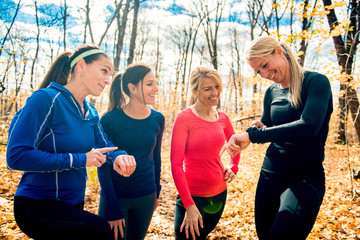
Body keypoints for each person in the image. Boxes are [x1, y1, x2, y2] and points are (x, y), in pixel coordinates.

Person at [6, 44, 136, 240]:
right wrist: (80, 160)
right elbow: (16, 157)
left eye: (110, 75)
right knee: (101, 231)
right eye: (104, 71)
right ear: (81, 65)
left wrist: (120, 156)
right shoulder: (46, 99)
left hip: (73, 202)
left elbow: (104, 146)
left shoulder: (90, 111)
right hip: (37, 203)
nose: (108, 80)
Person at [222, 36, 333, 240]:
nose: (264, 74)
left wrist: (254, 136)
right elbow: (268, 127)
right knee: (264, 235)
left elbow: (308, 126)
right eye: (258, 71)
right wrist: (256, 129)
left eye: (265, 65)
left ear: (279, 52)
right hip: (271, 173)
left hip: (305, 176)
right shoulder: (271, 92)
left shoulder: (315, 82)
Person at [170, 66, 240, 240]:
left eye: (216, 87)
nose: (214, 92)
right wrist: (189, 205)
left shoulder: (222, 118)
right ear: (195, 91)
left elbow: (236, 144)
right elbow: (176, 163)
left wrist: (234, 166)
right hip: (192, 195)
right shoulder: (184, 118)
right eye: (207, 89)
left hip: (218, 193)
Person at [98, 63, 165, 240]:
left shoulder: (158, 118)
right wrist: (112, 208)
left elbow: (156, 157)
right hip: (116, 199)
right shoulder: (110, 120)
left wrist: (156, 192)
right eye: (149, 84)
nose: (156, 88)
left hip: (146, 197)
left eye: (155, 83)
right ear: (132, 88)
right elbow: (103, 166)